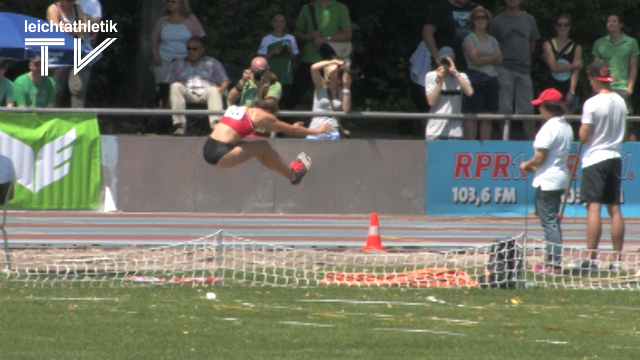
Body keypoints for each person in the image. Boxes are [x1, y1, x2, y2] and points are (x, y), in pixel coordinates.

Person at [203, 97, 331, 185]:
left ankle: (284, 172)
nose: (273, 120)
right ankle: (293, 177)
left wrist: (293, 127)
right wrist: (318, 131)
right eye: (274, 117)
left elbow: (220, 127)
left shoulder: (242, 108)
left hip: (209, 146)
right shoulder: (262, 116)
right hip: (221, 154)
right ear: (269, 112)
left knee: (260, 149)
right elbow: (292, 131)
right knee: (263, 145)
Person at [577, 61, 627, 272]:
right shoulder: (621, 101)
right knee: (614, 207)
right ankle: (616, 259)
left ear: (592, 79)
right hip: (615, 155)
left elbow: (584, 135)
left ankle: (590, 258)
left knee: (593, 207)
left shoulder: (592, 103)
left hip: (595, 157)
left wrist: (581, 135)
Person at [519, 88, 573, 275]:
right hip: (559, 176)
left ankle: (553, 263)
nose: (539, 110)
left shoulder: (549, 127)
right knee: (552, 220)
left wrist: (527, 165)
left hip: (548, 180)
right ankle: (552, 260)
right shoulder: (565, 125)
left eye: (540, 106)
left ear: (547, 107)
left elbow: (540, 156)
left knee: (549, 222)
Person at [488, 0, 540, 140]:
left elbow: (532, 45)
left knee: (528, 110)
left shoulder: (529, 19)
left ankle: (532, 144)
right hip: (504, 68)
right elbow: (492, 45)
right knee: (504, 109)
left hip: (524, 70)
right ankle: (504, 143)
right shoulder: (497, 21)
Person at [289, 0, 352, 110]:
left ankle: (335, 123)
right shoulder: (307, 8)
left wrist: (325, 39)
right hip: (309, 58)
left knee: (333, 96)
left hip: (331, 61)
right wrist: (310, 37)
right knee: (295, 95)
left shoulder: (341, 8)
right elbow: (297, 33)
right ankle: (287, 124)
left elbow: (347, 34)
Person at [166, 36, 230, 135]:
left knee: (214, 90)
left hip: (206, 93)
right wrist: (177, 82)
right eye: (189, 48)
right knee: (175, 86)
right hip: (186, 93)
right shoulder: (178, 63)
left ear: (202, 50)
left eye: (194, 49)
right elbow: (168, 83)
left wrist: (222, 89)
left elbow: (225, 80)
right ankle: (180, 126)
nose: (191, 51)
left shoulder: (212, 62)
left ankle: (216, 126)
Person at [592, 13, 639, 141]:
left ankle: (631, 155)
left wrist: (630, 87)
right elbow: (596, 67)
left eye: (614, 21)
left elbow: (634, 66)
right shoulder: (600, 43)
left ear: (621, 25)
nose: (611, 23)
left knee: (627, 125)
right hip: (603, 87)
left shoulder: (631, 42)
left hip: (622, 87)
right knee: (601, 123)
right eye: (608, 21)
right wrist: (597, 87)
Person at [462, 6, 502, 140]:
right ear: (472, 21)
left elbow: (500, 61)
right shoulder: (469, 39)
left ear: (488, 20)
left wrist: (484, 56)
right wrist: (492, 56)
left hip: (492, 81)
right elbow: (476, 61)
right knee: (472, 115)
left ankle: (485, 148)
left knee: (488, 116)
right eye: (477, 17)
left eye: (483, 17)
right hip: (475, 81)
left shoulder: (492, 39)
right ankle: (470, 147)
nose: (480, 20)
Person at [46, 0, 91, 108]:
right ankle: (51, 119)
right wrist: (76, 30)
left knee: (78, 89)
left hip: (76, 52)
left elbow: (87, 28)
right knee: (55, 89)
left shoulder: (77, 8)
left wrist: (68, 30)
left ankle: (77, 119)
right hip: (58, 53)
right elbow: (55, 29)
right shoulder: (53, 9)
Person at [151, 0, 205, 87]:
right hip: (164, 60)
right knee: (163, 90)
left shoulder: (191, 20)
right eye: (168, 1)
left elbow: (200, 39)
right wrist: (155, 55)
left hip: (186, 61)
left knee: (182, 89)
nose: (169, 3)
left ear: (181, 3)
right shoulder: (163, 20)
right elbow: (154, 38)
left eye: (173, 1)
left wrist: (196, 57)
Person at [424, 47, 473, 140]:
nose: (446, 64)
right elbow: (431, 102)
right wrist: (440, 81)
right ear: (438, 60)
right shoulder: (430, 76)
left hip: (455, 132)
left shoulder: (461, 76)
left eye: (448, 61)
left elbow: (469, 92)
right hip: (435, 130)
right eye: (443, 61)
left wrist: (455, 72)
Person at [227, 56, 282, 138]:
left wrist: (260, 87)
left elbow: (268, 104)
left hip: (261, 129)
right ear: (250, 69)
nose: (259, 73)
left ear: (268, 69)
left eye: (262, 71)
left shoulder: (274, 85)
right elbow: (230, 98)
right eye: (256, 70)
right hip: (242, 126)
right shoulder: (246, 82)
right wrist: (242, 81)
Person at [541, 14, 583, 112]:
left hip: (567, 89)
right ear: (555, 26)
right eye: (559, 24)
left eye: (566, 24)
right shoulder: (547, 45)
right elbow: (554, 67)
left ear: (570, 27)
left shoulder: (577, 47)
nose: (562, 27)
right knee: (547, 119)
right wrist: (574, 65)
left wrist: (571, 92)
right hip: (550, 88)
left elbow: (575, 73)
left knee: (568, 119)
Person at [257, 13, 299, 110]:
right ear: (271, 23)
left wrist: (290, 52)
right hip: (270, 78)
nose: (279, 24)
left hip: (286, 78)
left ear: (285, 24)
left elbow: (294, 59)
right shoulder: (266, 39)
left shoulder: (290, 38)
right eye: (276, 21)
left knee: (283, 105)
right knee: (268, 105)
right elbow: (260, 61)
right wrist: (273, 53)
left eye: (281, 21)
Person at [423, 0, 474, 70]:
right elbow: (427, 32)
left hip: (469, 60)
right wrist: (436, 57)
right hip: (446, 59)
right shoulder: (440, 9)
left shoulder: (473, 10)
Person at [307, 59, 352, 140]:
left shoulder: (343, 91)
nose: (341, 75)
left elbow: (346, 109)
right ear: (330, 74)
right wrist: (332, 62)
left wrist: (347, 88)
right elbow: (313, 68)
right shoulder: (321, 87)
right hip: (316, 129)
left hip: (333, 131)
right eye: (338, 73)